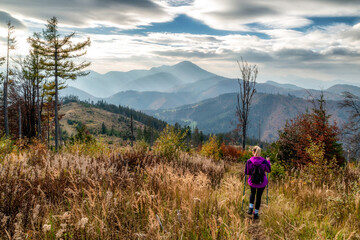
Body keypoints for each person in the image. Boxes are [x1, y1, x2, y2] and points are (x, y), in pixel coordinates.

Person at [244, 146, 271, 219]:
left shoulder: (249, 161)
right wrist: (268, 161)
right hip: (262, 182)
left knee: (252, 193)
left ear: (253, 152)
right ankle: (256, 213)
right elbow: (268, 170)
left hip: (252, 181)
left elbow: (246, 172)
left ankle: (250, 209)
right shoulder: (264, 161)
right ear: (260, 152)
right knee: (258, 197)